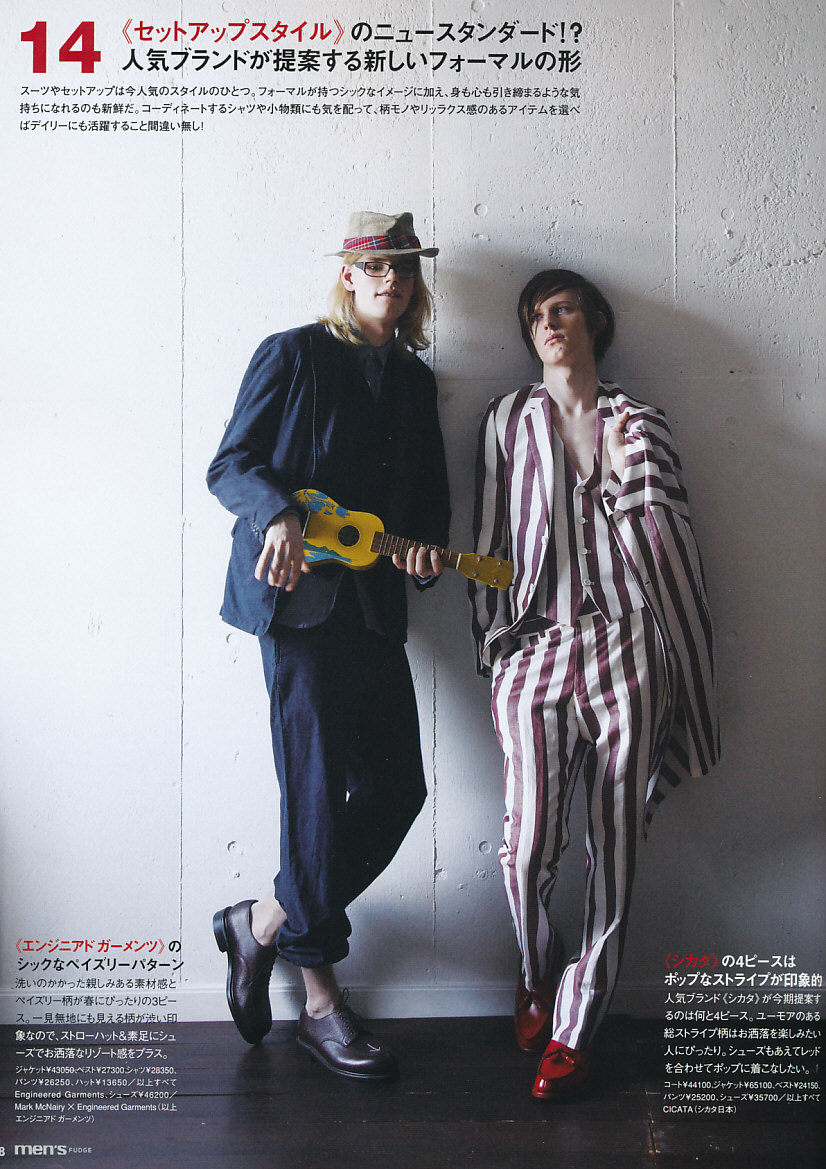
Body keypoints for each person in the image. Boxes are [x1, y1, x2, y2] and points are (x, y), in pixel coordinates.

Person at [207, 211, 450, 1082]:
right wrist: (277, 513)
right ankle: (319, 1002)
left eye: (405, 268)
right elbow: (230, 464)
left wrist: (426, 555)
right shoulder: (294, 354)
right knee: (313, 798)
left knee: (398, 790)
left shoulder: (416, 382)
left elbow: (430, 500)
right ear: (349, 275)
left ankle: (263, 922)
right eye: (376, 265)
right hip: (297, 607)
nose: (392, 279)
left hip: (375, 610)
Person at [469, 269, 720, 1099]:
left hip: (628, 644)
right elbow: (490, 542)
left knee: (616, 844)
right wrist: (497, 650)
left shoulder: (640, 420)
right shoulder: (505, 420)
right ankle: (535, 971)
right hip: (536, 648)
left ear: (595, 321)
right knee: (527, 844)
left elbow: (671, 539)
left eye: (562, 308)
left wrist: (620, 472)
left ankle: (576, 1025)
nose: (548, 322)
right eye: (534, 316)